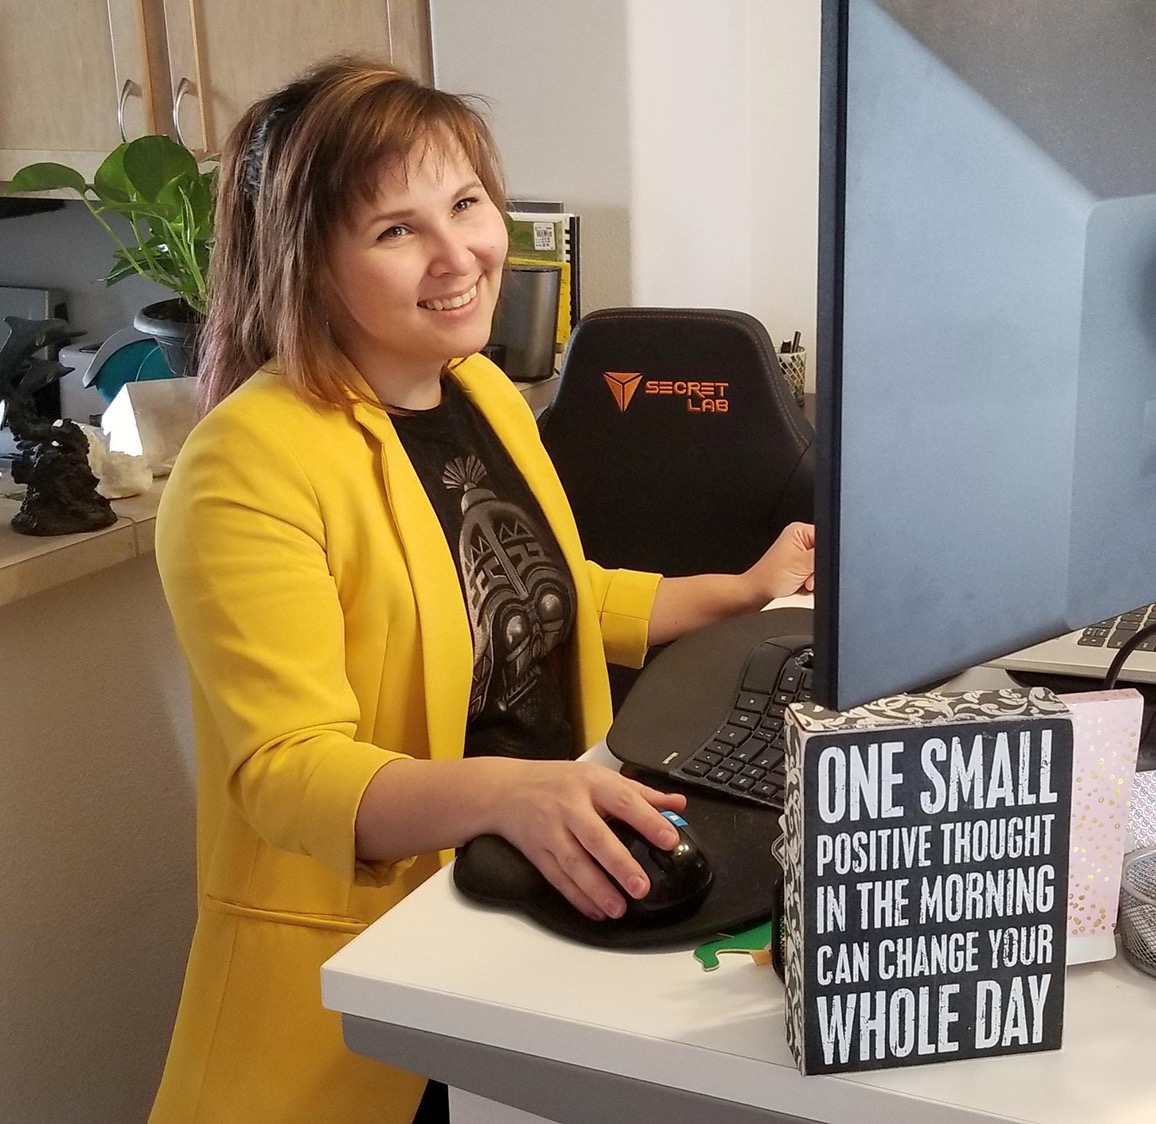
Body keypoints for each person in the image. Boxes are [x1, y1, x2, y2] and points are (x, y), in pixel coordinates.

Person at [150, 59, 815, 1124]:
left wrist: (743, 592)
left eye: (466, 203)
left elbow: (560, 599)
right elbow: (288, 770)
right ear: (309, 264)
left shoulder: (484, 392)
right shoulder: (247, 465)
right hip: (367, 973)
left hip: (524, 896)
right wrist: (511, 789)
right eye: (396, 230)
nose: (460, 254)